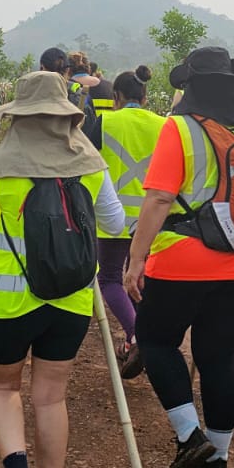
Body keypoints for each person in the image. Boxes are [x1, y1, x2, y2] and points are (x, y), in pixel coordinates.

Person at [0, 71, 124, 468]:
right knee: (51, 396)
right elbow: (114, 221)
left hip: (6, 300)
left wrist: (1, 210)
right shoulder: (91, 163)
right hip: (70, 299)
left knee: (2, 389)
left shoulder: (3, 162)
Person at [124, 47, 234, 468]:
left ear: (188, 85)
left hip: (181, 261)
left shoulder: (181, 128)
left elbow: (157, 198)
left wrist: (136, 260)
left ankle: (190, 437)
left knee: (155, 341)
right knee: (218, 356)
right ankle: (218, 462)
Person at [89, 66, 162, 379]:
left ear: (115, 97)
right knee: (142, 278)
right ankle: (146, 334)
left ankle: (136, 336)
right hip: (152, 219)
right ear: (145, 96)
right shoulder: (165, 126)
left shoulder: (103, 122)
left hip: (112, 218)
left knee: (109, 279)